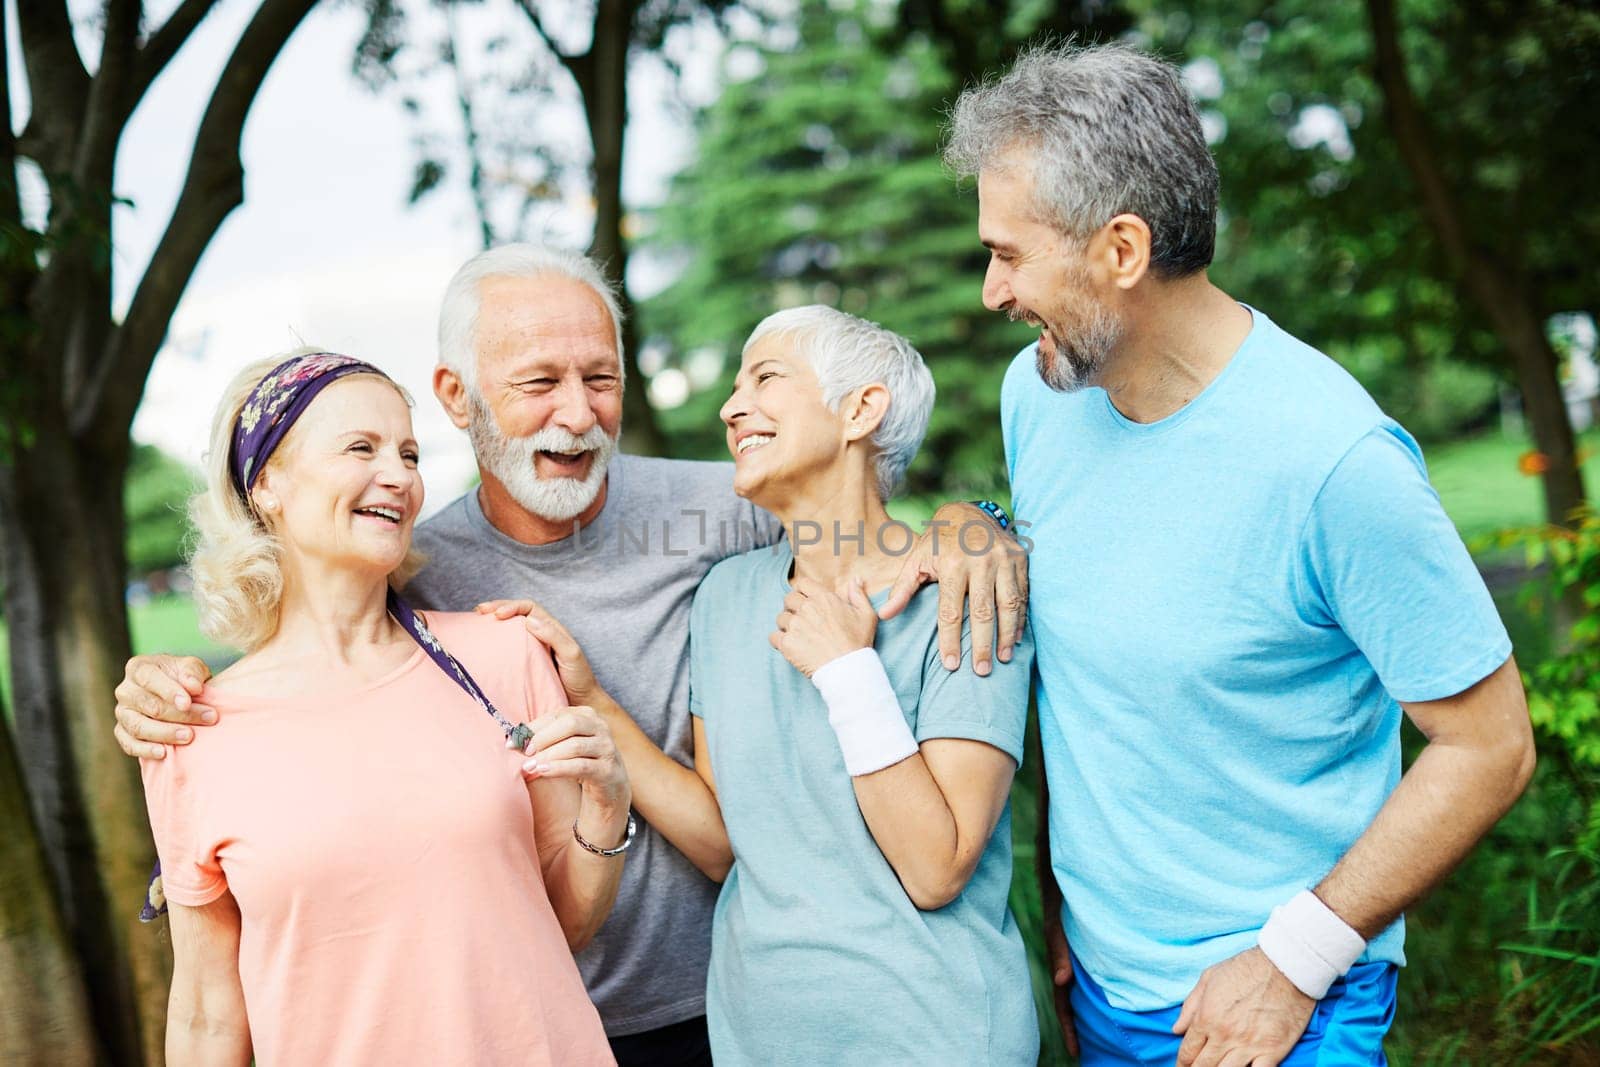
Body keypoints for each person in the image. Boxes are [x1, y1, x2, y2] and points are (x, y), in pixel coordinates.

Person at [114, 244, 1027, 1065]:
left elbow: (859, 515)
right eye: (538, 382)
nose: (578, 413)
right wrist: (162, 689)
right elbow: (311, 660)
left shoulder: (723, 511)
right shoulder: (417, 571)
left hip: (721, 1005)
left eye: (600, 377)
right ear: (456, 397)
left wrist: (974, 526)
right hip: (530, 1015)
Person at [944, 43, 1537, 1066]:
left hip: (1284, 1007)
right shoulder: (1038, 398)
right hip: (1100, 984)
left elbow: (1490, 745)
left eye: (1009, 252)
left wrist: (1294, 957)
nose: (993, 290)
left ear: (1119, 250)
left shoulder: (1334, 465)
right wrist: (977, 517)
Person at [516, 307, 1040, 1064]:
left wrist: (848, 671)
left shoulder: (965, 594)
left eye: (765, 377)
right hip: (759, 1039)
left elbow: (937, 866)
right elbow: (730, 842)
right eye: (734, 386)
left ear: (860, 409)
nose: (732, 407)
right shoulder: (727, 598)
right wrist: (594, 703)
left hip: (931, 1033)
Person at [143, 350, 628, 1065]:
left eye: (408, 451)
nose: (400, 475)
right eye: (361, 448)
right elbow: (209, 1014)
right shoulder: (192, 732)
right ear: (268, 482)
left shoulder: (502, 656)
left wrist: (609, 805)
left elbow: (566, 922)